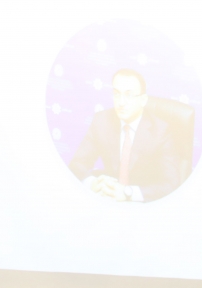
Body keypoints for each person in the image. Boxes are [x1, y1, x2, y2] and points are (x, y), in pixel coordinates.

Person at [69, 68, 180, 202]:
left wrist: (128, 193)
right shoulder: (102, 121)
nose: (121, 102)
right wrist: (92, 183)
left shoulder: (161, 131)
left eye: (129, 95)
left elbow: (171, 184)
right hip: (108, 201)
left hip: (144, 205)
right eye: (116, 94)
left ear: (143, 100)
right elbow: (77, 165)